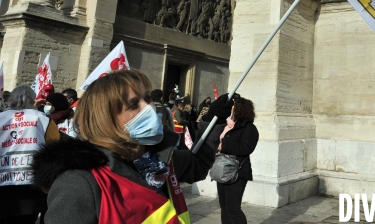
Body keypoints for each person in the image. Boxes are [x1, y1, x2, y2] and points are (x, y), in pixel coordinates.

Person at [31, 70, 220, 224]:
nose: (149, 107)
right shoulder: (79, 182)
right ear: (106, 119)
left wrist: (214, 119)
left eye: (147, 98)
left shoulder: (157, 159)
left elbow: (197, 166)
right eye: (133, 104)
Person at [0, 86, 61, 224]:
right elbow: (54, 146)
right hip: (32, 183)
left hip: (3, 181)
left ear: (11, 100)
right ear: (33, 100)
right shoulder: (43, 119)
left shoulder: (0, 118)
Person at [215, 97, 259, 224]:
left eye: (234, 106)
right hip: (222, 169)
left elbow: (247, 148)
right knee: (224, 208)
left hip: (237, 172)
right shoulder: (228, 125)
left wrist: (224, 146)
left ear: (240, 109)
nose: (231, 109)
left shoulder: (249, 128)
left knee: (233, 209)